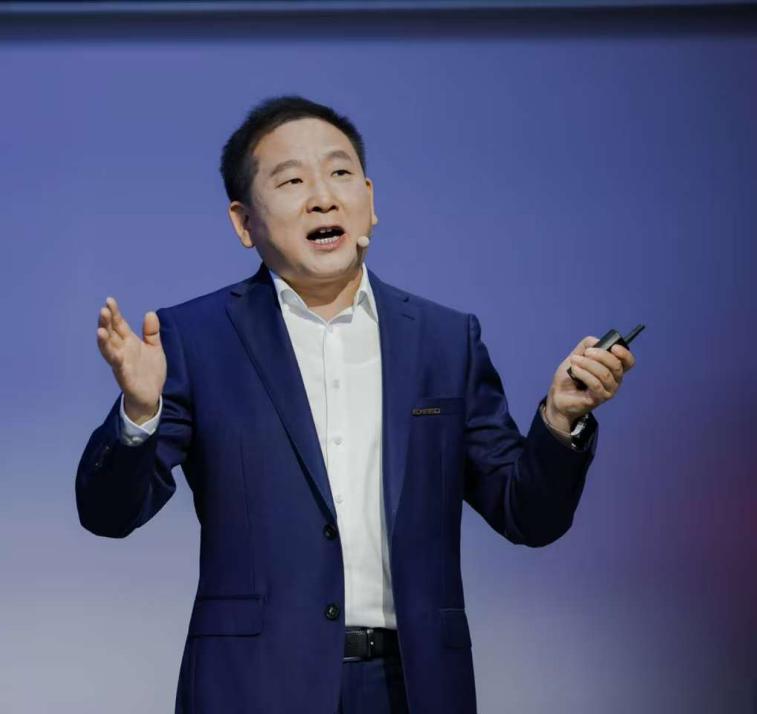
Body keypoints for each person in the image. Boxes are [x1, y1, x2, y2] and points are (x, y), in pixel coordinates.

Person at [75, 95, 635, 714]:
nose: (323, 197)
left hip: (414, 689)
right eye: (292, 181)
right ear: (244, 222)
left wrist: (560, 420)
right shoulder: (195, 338)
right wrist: (139, 411)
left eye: (340, 173)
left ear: (369, 198)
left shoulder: (444, 340)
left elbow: (527, 514)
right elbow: (109, 514)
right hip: (253, 689)